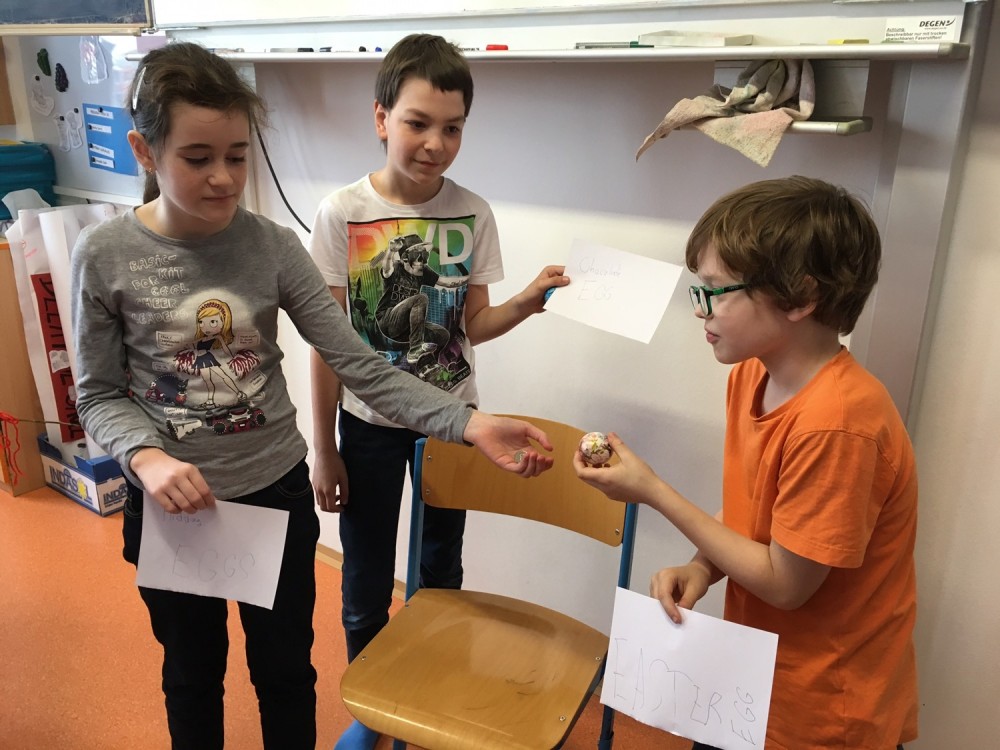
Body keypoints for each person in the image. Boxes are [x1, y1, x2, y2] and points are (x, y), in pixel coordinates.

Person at [69, 41, 553, 750]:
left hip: (274, 494)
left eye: (237, 156)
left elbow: (359, 362)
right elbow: (98, 395)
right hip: (173, 509)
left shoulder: (272, 247)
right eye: (197, 159)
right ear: (145, 150)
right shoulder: (104, 254)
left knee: (286, 675)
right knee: (192, 677)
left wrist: (467, 423)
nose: (223, 178)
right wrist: (146, 458)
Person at [574, 176, 918, 749]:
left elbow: (786, 584)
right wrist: (703, 567)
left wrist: (653, 491)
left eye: (716, 291)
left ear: (800, 297)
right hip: (754, 682)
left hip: (823, 713)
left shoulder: (838, 424)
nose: (700, 310)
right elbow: (754, 512)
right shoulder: (752, 376)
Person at [307, 33, 568, 750]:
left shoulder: (473, 212)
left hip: (454, 423)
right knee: (365, 576)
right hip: (367, 425)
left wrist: (527, 302)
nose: (436, 144)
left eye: (453, 128)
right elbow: (327, 343)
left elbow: (474, 325)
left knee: (440, 571)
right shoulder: (342, 213)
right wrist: (324, 448)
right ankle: (371, 707)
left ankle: (430, 694)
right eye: (418, 123)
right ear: (381, 117)